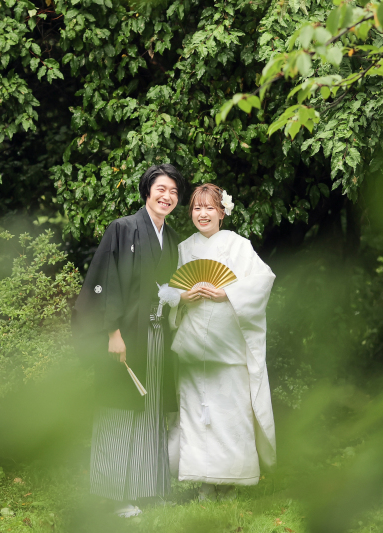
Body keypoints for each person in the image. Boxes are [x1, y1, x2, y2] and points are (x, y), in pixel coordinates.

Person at [72, 164, 184, 517]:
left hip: (155, 334)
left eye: (174, 192)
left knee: (150, 410)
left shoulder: (172, 237)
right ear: (147, 191)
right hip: (124, 334)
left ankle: (148, 488)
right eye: (161, 189)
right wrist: (112, 333)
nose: (167, 196)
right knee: (120, 409)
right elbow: (106, 281)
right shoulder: (123, 229)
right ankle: (115, 494)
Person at [167, 183, 276, 500]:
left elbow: (263, 279)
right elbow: (170, 292)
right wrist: (183, 297)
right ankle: (204, 481)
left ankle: (230, 482)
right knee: (196, 413)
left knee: (230, 413)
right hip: (193, 341)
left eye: (209, 208)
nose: (202, 214)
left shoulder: (239, 246)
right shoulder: (184, 248)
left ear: (222, 212)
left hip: (227, 343)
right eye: (196, 208)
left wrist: (227, 292)